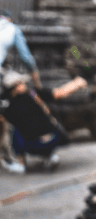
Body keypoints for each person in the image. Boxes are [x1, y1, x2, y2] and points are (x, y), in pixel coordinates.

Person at [0, 9, 62, 173]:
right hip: (80, 54)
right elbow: (27, 58)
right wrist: (36, 84)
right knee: (10, 117)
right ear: (9, 19)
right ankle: (15, 157)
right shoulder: (12, 29)